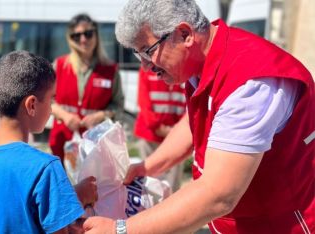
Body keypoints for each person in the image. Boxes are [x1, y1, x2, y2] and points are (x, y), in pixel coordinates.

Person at [83, 0, 314, 233]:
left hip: (278, 224)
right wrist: (148, 166)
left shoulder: (250, 85)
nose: (145, 67)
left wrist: (120, 229)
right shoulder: (205, 60)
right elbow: (196, 122)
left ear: (185, 34)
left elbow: (218, 194)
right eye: (138, 55)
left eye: (148, 52)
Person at [0, 51, 96, 233]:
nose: (51, 109)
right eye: (51, 99)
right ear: (32, 105)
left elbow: (10, 208)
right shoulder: (45, 168)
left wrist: (72, 195)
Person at [50, 13, 124, 163]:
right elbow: (46, 101)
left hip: (96, 145)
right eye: (77, 36)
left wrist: (101, 116)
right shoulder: (59, 66)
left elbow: (118, 105)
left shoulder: (110, 70)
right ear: (70, 39)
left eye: (88, 34)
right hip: (62, 143)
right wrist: (65, 115)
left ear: (96, 35)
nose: (83, 39)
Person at [134, 67, 187, 191]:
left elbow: (189, 106)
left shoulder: (184, 70)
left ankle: (171, 208)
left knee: (173, 183)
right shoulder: (147, 69)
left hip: (177, 137)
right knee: (149, 180)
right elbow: (143, 102)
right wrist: (157, 126)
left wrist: (178, 131)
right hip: (150, 136)